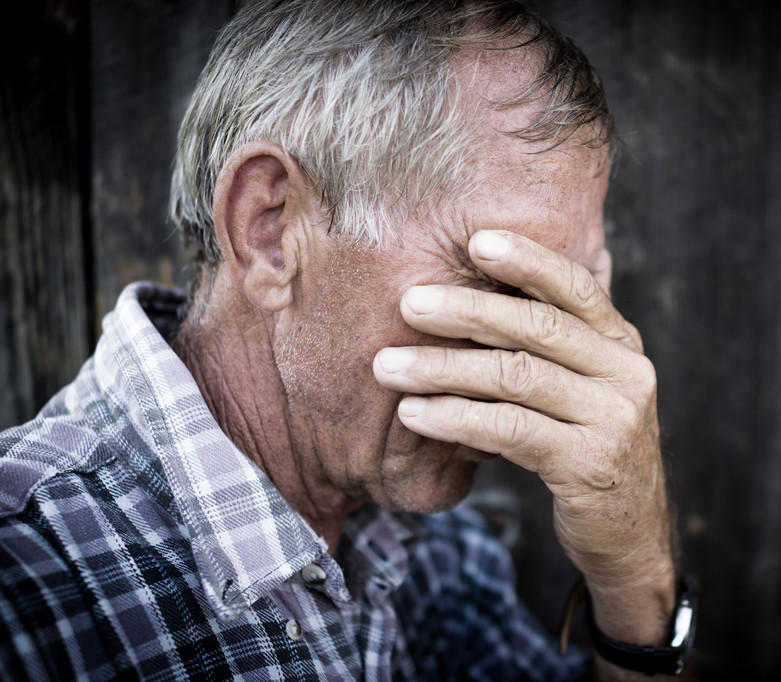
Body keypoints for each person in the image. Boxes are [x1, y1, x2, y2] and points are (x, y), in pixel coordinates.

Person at [0, 1, 692, 679]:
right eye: (500, 282)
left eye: (568, 298)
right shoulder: (23, 576)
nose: (537, 360)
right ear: (271, 232)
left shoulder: (437, 548)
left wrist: (635, 585)